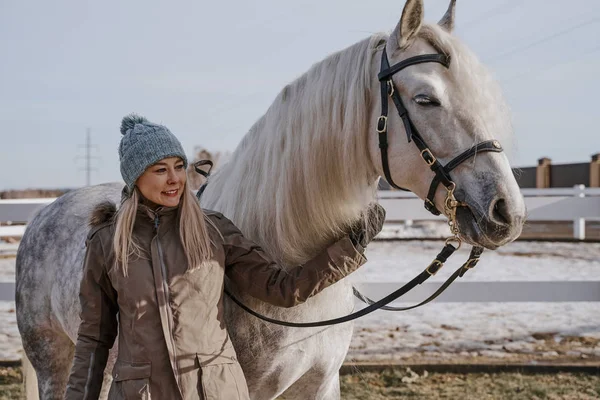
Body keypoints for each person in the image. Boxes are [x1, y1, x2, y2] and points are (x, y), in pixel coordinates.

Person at [64, 114, 385, 400]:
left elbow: (282, 288)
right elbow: (94, 339)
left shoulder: (213, 230)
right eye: (160, 170)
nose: (175, 179)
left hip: (216, 390)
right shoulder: (107, 243)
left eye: (178, 166)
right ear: (135, 178)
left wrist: (350, 247)